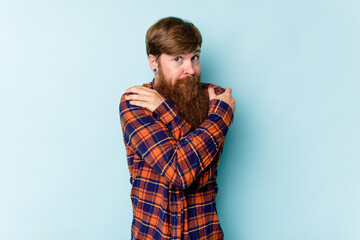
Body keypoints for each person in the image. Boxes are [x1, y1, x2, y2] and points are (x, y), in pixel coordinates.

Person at [119, 16, 236, 240]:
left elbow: (200, 177)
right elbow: (179, 172)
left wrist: (164, 109)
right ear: (154, 62)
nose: (190, 69)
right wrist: (219, 117)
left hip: (203, 233)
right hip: (153, 234)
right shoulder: (135, 102)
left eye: (195, 57)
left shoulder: (214, 97)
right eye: (178, 59)